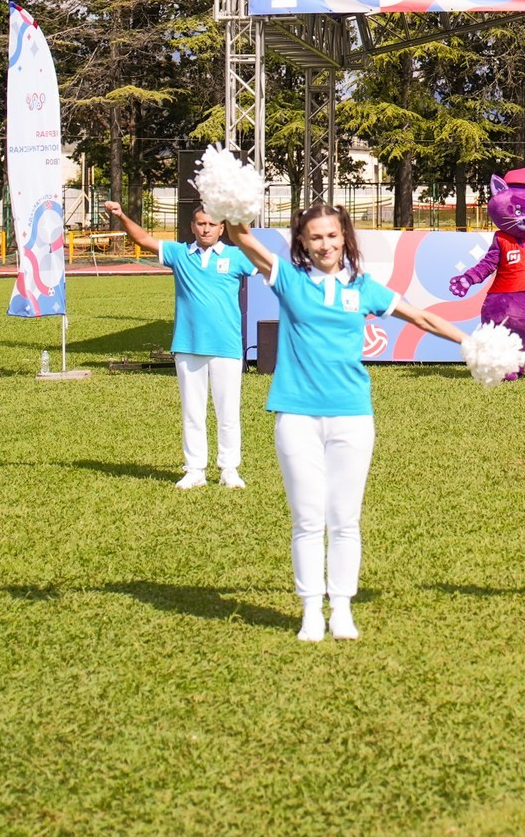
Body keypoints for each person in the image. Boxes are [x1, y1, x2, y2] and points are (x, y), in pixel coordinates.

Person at [229, 204, 465, 641]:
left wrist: (471, 343)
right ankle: (309, 611)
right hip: (296, 415)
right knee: (306, 519)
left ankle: (340, 608)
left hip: (352, 416)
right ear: (302, 241)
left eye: (332, 236)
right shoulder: (288, 278)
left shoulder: (364, 287)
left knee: (344, 519)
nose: (325, 245)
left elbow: (421, 317)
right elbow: (242, 237)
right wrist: (229, 204)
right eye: (315, 237)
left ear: (345, 238)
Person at [103, 199, 251, 490]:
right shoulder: (179, 254)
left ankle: (229, 469)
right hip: (187, 345)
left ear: (222, 228)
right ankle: (195, 469)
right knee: (192, 412)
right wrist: (121, 216)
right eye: (201, 224)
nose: (206, 229)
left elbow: (271, 265)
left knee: (228, 412)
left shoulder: (237, 257)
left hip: (227, 346)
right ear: (192, 227)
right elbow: (143, 239)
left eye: (212, 224)